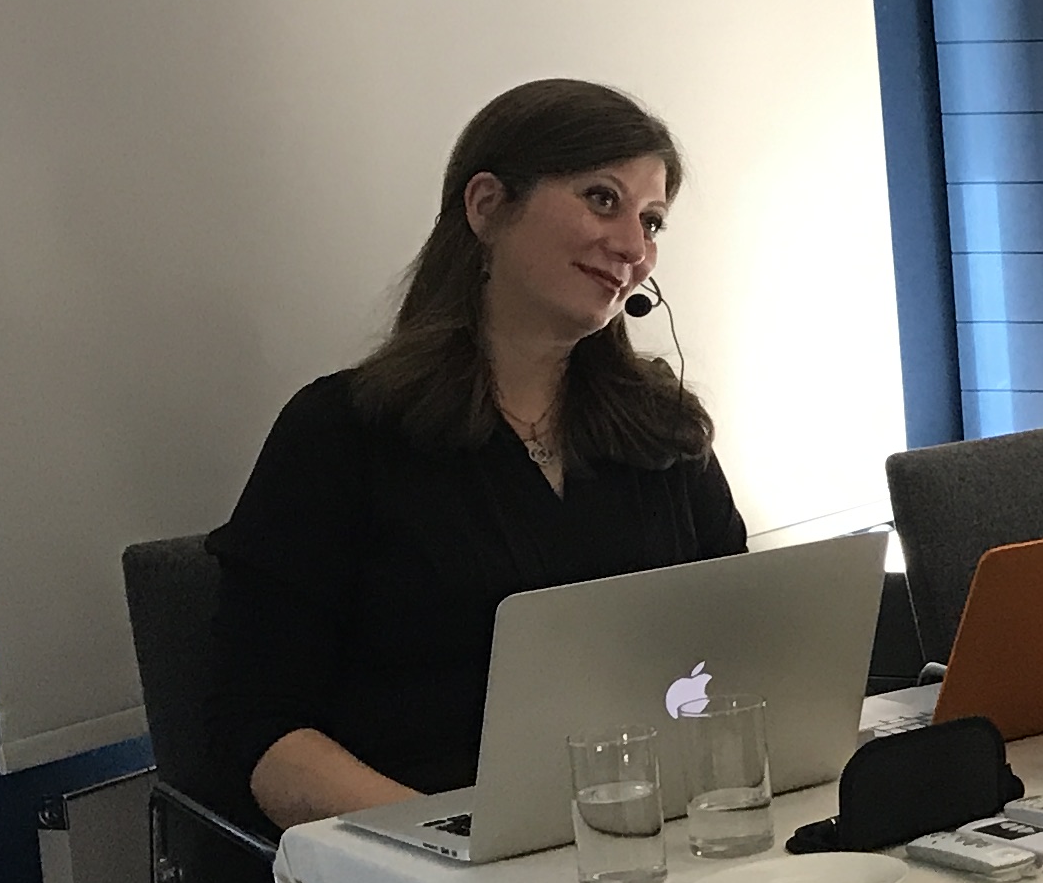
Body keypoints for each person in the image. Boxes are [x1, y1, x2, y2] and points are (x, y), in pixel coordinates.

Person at [209, 79, 743, 827]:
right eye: (602, 199)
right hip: (431, 849)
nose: (634, 248)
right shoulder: (342, 431)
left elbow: (742, 650)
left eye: (651, 221)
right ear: (487, 206)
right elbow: (264, 736)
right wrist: (460, 851)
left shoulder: (663, 432)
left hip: (659, 834)